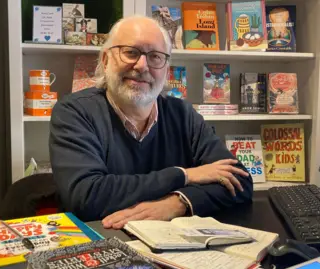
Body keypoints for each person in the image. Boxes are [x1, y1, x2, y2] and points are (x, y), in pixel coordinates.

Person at [49, 15, 253, 230]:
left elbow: (240, 182)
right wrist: (184, 175)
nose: (142, 65)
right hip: (102, 243)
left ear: (166, 67)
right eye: (130, 52)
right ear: (106, 60)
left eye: (155, 56)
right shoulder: (74, 112)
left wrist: (177, 202)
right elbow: (86, 197)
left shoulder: (182, 113)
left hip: (175, 247)